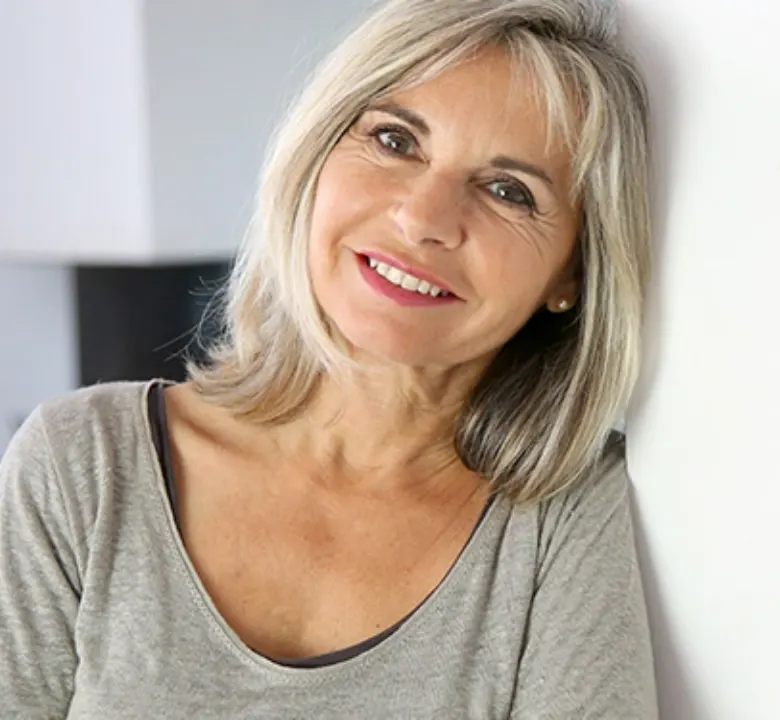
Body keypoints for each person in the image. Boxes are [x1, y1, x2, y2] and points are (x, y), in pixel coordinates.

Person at [0, 0, 658, 716]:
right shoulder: (83, 465)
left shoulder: (566, 519)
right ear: (315, 154)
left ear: (572, 275)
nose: (422, 219)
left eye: (509, 191)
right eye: (395, 141)